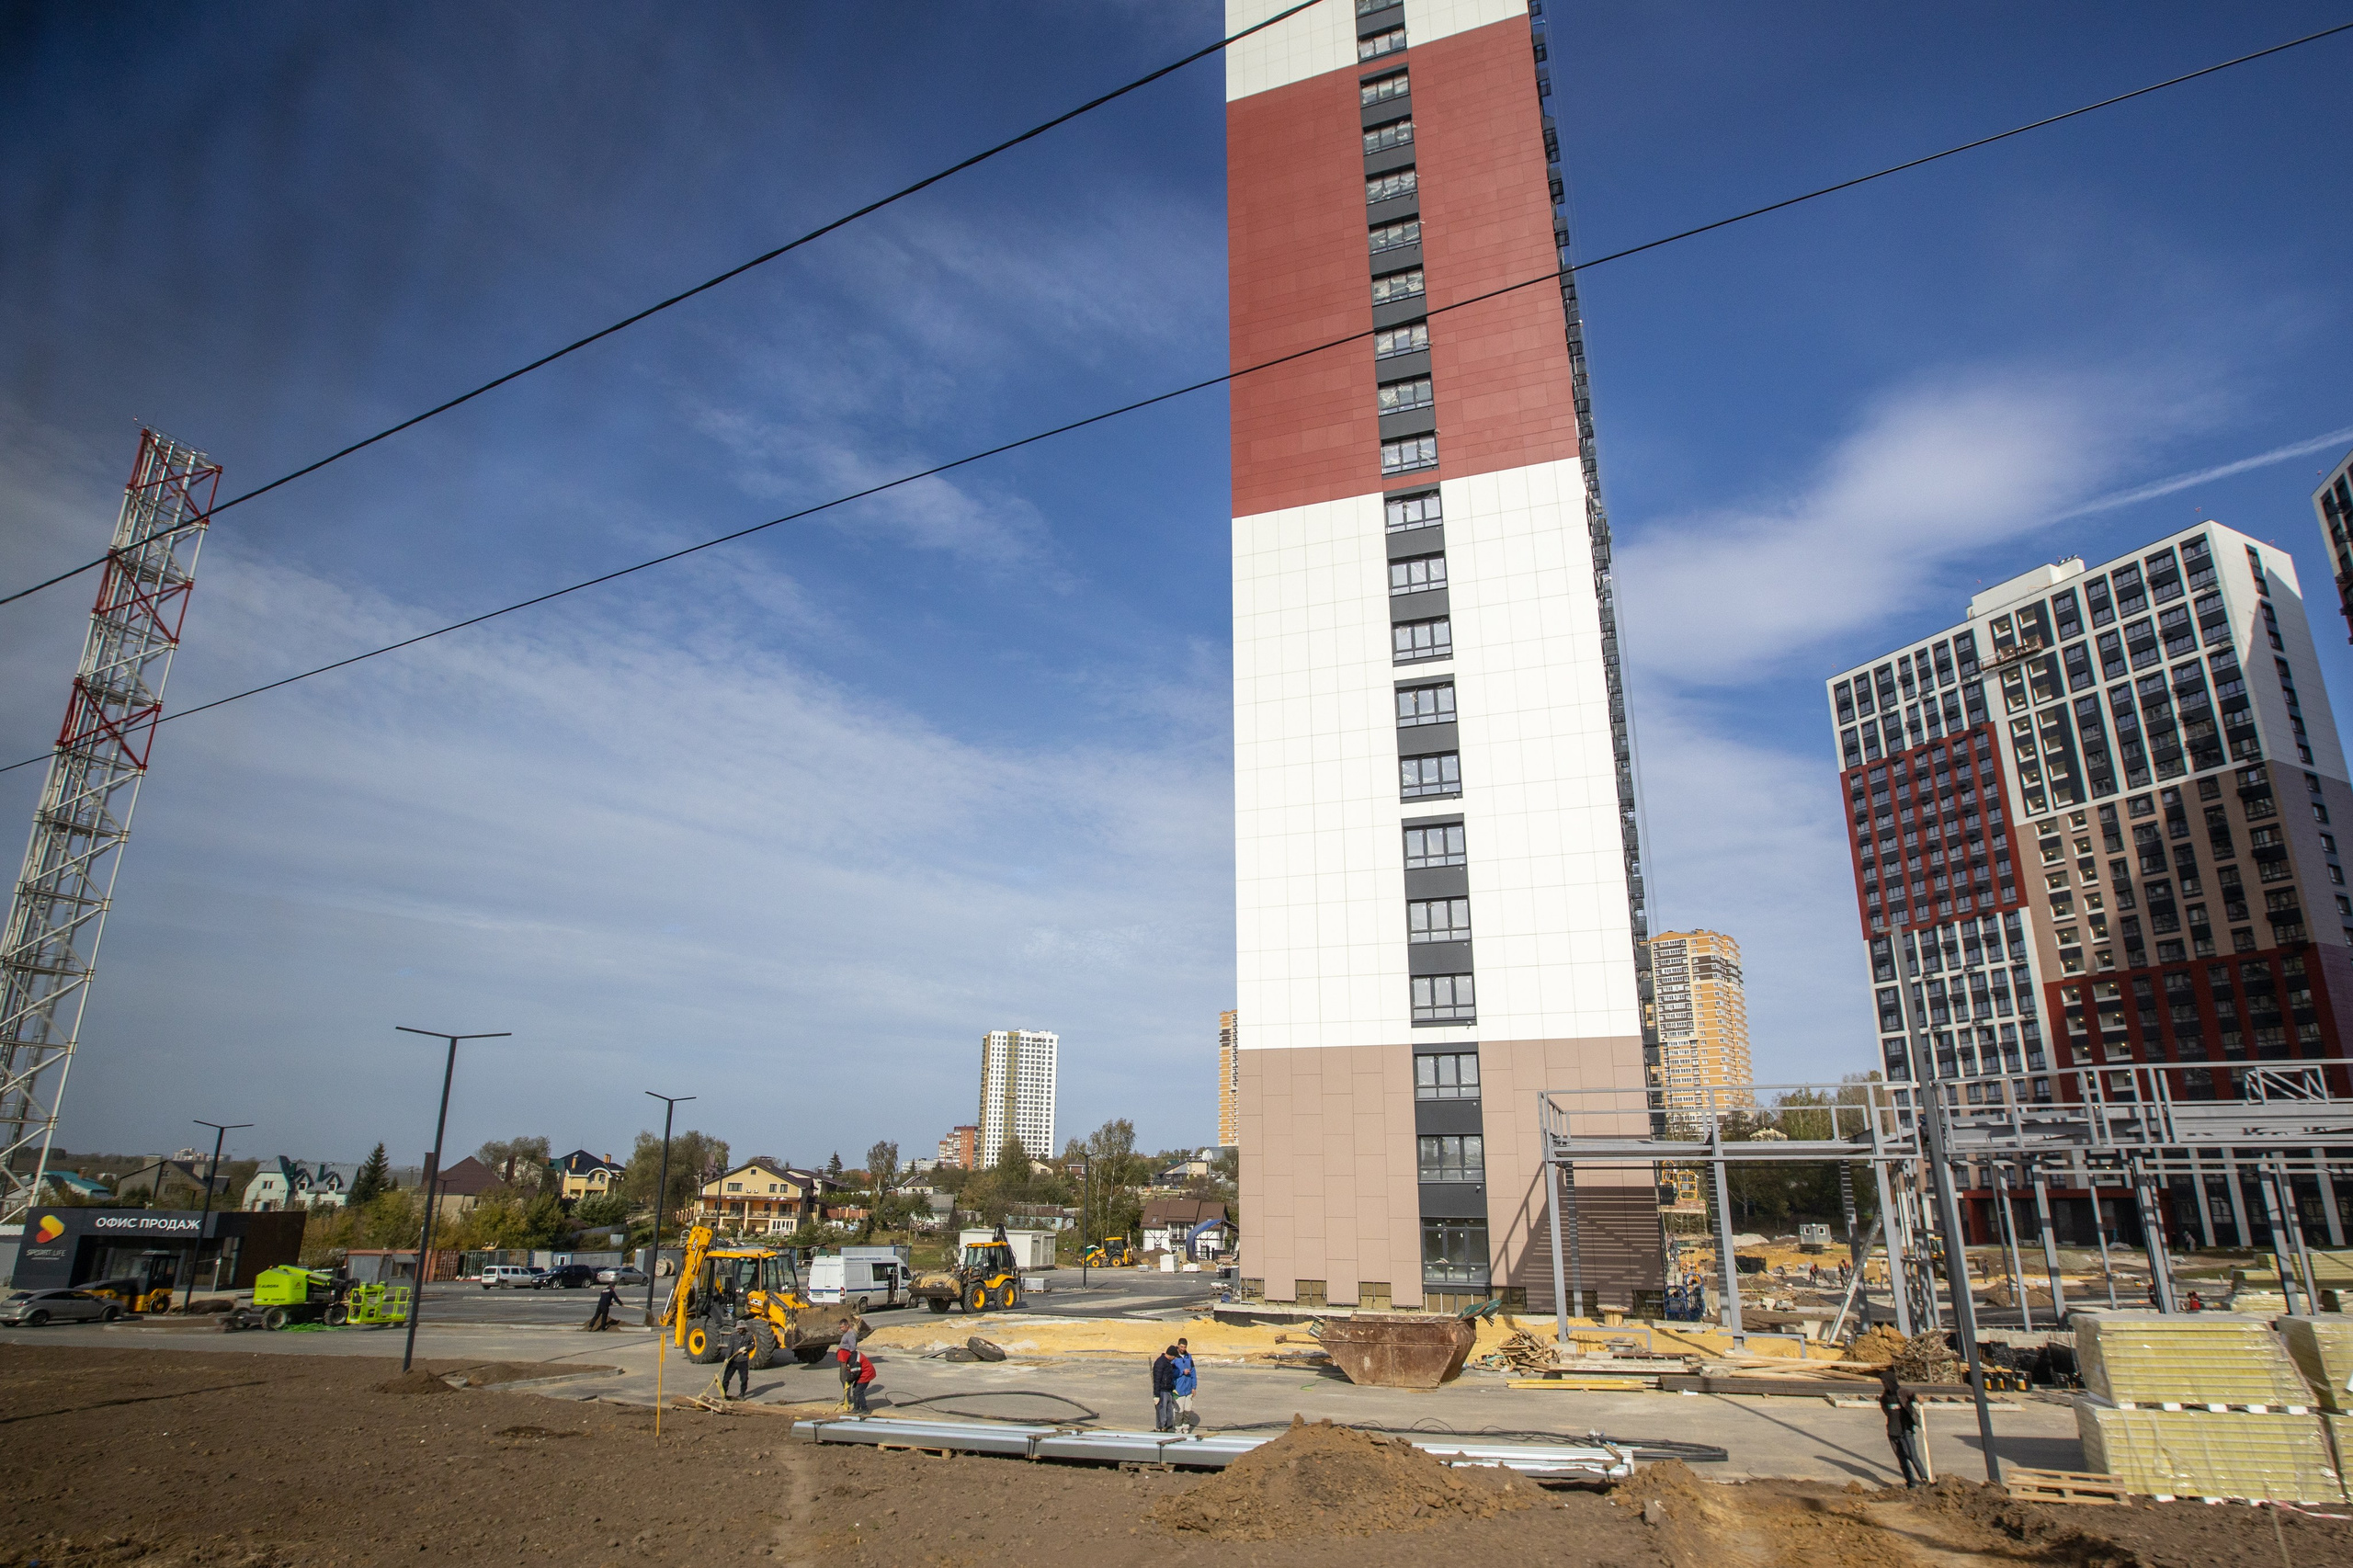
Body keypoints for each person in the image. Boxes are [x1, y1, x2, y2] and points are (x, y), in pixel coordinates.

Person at [1879, 1369, 1926, 1487]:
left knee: (1912, 1455)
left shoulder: (1902, 1392)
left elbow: (1912, 1395)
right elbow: (1886, 1412)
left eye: (1885, 1382)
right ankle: (1911, 1483)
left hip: (1905, 1430)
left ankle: (1924, 1478)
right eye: (1882, 1383)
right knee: (1902, 1460)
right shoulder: (1884, 1398)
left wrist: (1918, 1397)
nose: (1884, 1385)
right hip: (1893, 1432)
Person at [722, 1322, 755, 1402]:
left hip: (743, 1361)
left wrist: (746, 1348)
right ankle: (724, 1393)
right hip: (732, 1361)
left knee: (744, 1379)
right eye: (738, 1328)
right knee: (726, 1378)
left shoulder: (749, 1335)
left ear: (744, 1328)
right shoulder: (733, 1336)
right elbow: (730, 1347)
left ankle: (742, 1394)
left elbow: (752, 1345)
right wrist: (727, 1358)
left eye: (740, 1328)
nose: (739, 1330)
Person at [1150, 1344, 1178, 1432]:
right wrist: (1157, 1395)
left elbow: (1169, 1377)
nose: (1174, 1358)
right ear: (1171, 1355)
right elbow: (1157, 1380)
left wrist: (1172, 1388)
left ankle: (1168, 1427)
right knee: (1162, 1412)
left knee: (1169, 1411)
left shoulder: (1168, 1363)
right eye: (1174, 1356)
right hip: (1162, 1391)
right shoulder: (1160, 1362)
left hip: (1168, 1391)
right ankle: (1161, 1428)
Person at [1172, 1338, 1199, 1431]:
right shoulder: (1174, 1357)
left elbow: (1193, 1372)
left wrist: (1194, 1387)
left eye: (1185, 1347)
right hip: (1178, 1389)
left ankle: (1186, 1428)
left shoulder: (1188, 1357)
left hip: (1188, 1388)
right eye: (1181, 1347)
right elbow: (1170, 1372)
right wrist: (1182, 1372)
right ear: (1178, 1346)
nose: (1183, 1349)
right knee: (1179, 1410)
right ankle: (1178, 1429)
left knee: (1187, 1410)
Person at [847, 1346, 877, 1415]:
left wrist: (849, 1380)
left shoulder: (854, 1360)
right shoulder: (851, 1356)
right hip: (862, 1372)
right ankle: (856, 1408)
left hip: (866, 1373)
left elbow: (855, 1373)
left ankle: (865, 1409)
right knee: (855, 1390)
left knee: (858, 1391)